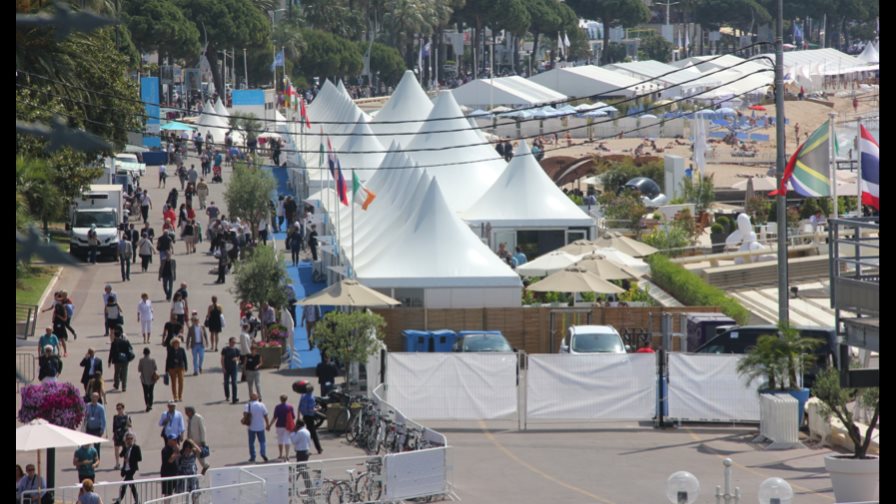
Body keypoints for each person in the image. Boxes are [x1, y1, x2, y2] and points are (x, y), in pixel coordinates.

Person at [114, 432, 141, 504]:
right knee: (131, 485)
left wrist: (130, 459)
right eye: (128, 439)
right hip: (126, 469)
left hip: (132, 468)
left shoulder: (136, 448)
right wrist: (125, 447)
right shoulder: (126, 447)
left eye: (131, 438)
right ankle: (137, 501)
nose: (129, 440)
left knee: (125, 485)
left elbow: (139, 458)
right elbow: (120, 455)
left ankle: (119, 501)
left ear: (133, 439)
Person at [268, 394, 295, 461]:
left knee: (280, 440)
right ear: (286, 399)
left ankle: (280, 454)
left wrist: (269, 425)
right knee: (287, 440)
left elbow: (275, 417)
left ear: (280, 399)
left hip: (279, 425)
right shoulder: (290, 407)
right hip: (287, 426)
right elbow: (293, 417)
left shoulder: (277, 407)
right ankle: (287, 455)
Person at [184, 406, 210, 475]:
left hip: (198, 441)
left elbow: (202, 429)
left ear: (191, 411)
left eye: (187, 411)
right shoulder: (189, 419)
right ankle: (193, 468)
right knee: (190, 456)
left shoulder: (198, 418)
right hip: (191, 441)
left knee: (199, 455)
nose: (186, 413)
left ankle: (205, 466)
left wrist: (203, 440)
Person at [244, 393, 269, 463]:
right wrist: (267, 425)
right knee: (262, 442)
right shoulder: (262, 405)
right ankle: (263, 453)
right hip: (260, 427)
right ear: (257, 397)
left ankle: (253, 457)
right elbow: (265, 415)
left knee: (251, 443)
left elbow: (245, 414)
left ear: (251, 398)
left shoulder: (248, 405)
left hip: (251, 427)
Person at [299, 384, 324, 454]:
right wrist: (318, 408)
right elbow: (311, 409)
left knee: (308, 432)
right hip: (310, 416)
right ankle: (318, 448)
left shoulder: (303, 396)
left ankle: (305, 448)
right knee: (313, 433)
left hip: (304, 415)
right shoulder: (311, 398)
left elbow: (300, 406)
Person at [84, 392, 107, 458]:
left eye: (95, 397)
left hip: (97, 429)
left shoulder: (101, 408)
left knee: (96, 445)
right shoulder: (87, 406)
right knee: (87, 445)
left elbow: (103, 419)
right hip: (89, 428)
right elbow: (85, 416)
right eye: (93, 397)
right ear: (91, 397)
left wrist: (102, 429)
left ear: (98, 398)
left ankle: (97, 459)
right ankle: (88, 458)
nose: (94, 398)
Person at [111, 403, 132, 470]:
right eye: (117, 409)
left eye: (120, 408)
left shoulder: (126, 416)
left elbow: (130, 425)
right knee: (116, 449)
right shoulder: (115, 417)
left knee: (125, 450)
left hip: (124, 434)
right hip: (117, 434)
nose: (119, 410)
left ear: (123, 408)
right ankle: (117, 463)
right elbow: (114, 427)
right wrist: (114, 435)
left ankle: (126, 463)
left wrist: (128, 425)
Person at [221, 337, 241, 404]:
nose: (233, 343)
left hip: (234, 368)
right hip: (226, 368)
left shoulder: (236, 350)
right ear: (229, 342)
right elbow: (222, 359)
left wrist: (236, 359)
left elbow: (239, 358)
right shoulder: (225, 349)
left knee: (234, 383)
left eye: (234, 342)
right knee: (226, 383)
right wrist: (223, 368)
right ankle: (227, 395)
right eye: (232, 342)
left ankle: (234, 398)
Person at [137, 347, 158, 412]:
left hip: (144, 379)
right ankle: (150, 404)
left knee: (146, 393)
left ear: (143, 353)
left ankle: (147, 404)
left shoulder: (141, 360)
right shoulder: (152, 360)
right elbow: (155, 368)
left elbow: (139, 369)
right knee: (151, 392)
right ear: (149, 353)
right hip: (152, 378)